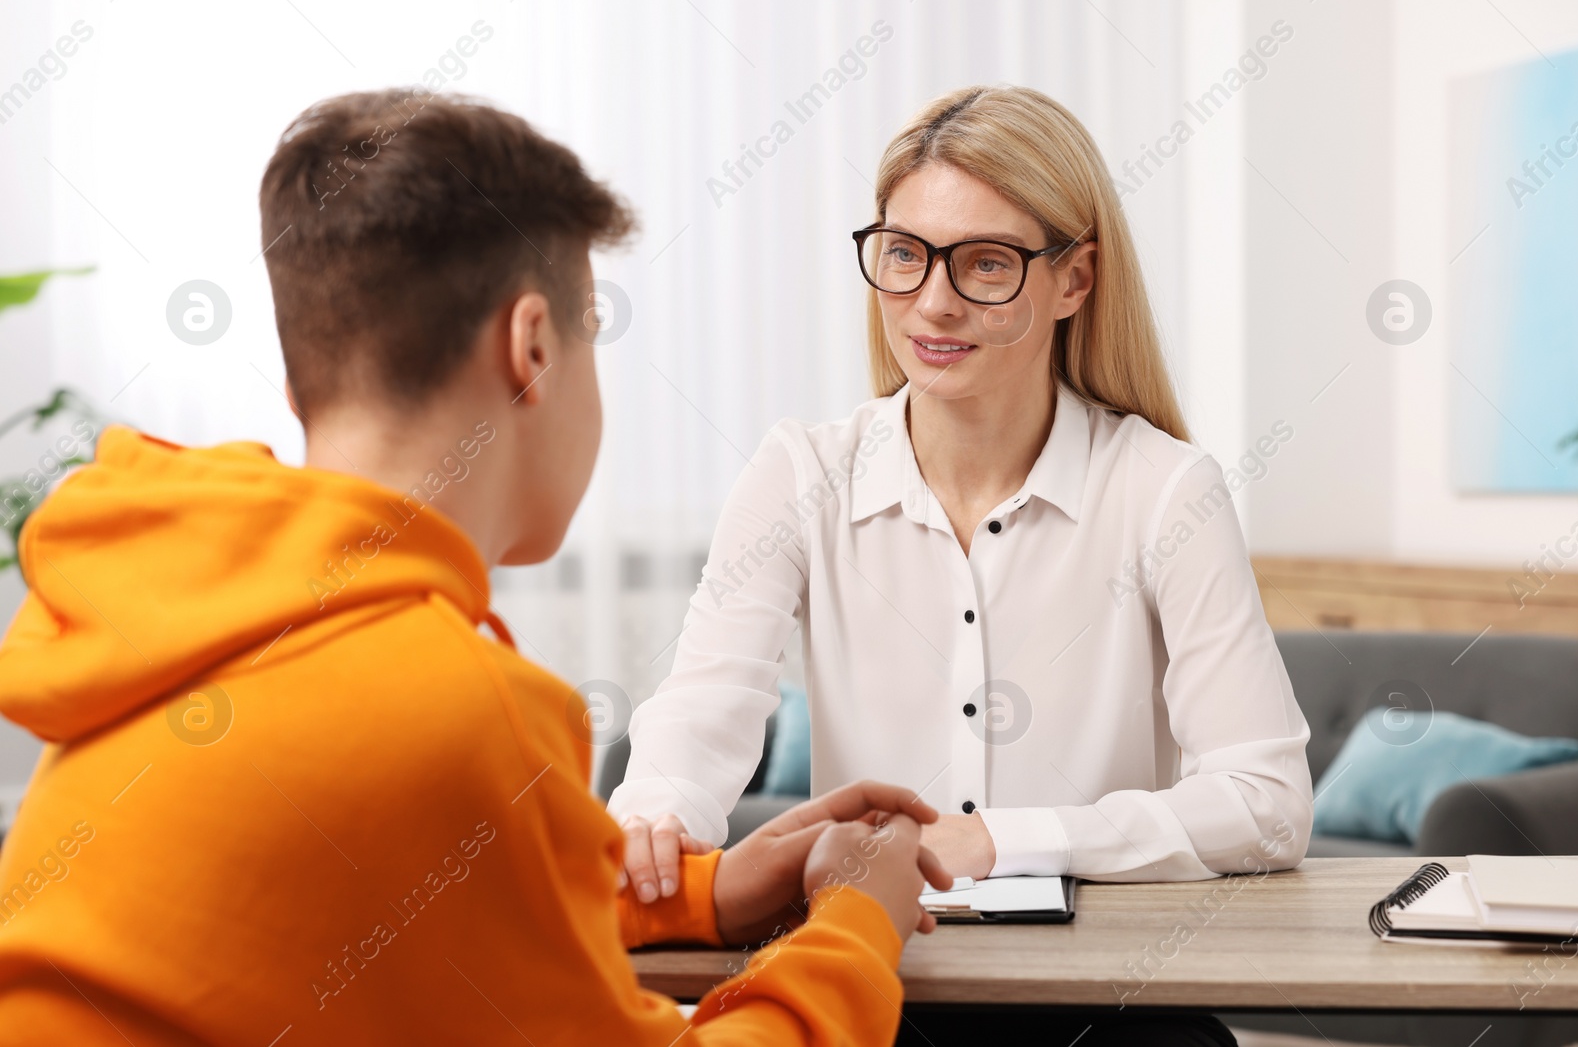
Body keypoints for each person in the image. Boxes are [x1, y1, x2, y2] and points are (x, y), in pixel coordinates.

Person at [0, 89, 952, 1045]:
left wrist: (699, 893)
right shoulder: (453, 706)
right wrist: (856, 917)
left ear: (300, 382)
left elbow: (400, 905)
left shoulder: (183, 614)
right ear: (532, 344)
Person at [610, 84, 1313, 897]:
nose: (934, 304)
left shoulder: (1165, 492)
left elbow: (1265, 805)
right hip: (874, 973)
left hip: (1106, 994)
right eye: (905, 253)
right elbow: (707, 703)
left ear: (1075, 281)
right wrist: (654, 817)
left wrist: (996, 839)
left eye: (986, 262)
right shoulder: (800, 475)